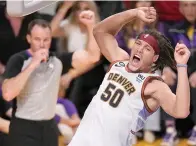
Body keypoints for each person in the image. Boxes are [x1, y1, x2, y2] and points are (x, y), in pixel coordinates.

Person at [68, 7, 191, 146]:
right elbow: (99, 31)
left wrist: (181, 66)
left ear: (155, 58)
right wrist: (134, 13)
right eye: (138, 43)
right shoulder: (119, 62)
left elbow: (181, 111)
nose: (140, 49)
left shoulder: (153, 84)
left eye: (147, 48)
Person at [2, 11, 100, 146]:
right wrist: (32, 65)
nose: (42, 44)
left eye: (46, 40)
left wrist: (90, 26)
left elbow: (92, 57)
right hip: (24, 126)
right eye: (37, 39)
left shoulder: (57, 59)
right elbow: (8, 94)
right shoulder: (18, 60)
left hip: (49, 126)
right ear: (29, 39)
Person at [159, 1, 196, 145]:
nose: (190, 9)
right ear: (180, 8)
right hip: (180, 71)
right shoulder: (172, 29)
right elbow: (166, 53)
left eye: (193, 5)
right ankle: (170, 130)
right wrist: (166, 69)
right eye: (185, 5)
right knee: (166, 80)